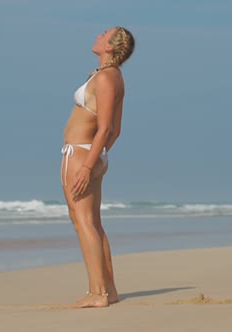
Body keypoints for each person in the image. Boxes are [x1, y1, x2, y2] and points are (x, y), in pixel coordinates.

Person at [61, 26, 135, 308]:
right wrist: (98, 159)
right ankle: (109, 290)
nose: (97, 35)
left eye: (103, 34)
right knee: (92, 223)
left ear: (109, 46)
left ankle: (98, 293)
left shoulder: (106, 78)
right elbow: (115, 131)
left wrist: (88, 165)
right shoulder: (113, 76)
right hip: (90, 155)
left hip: (80, 155)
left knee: (84, 223)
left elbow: (106, 128)